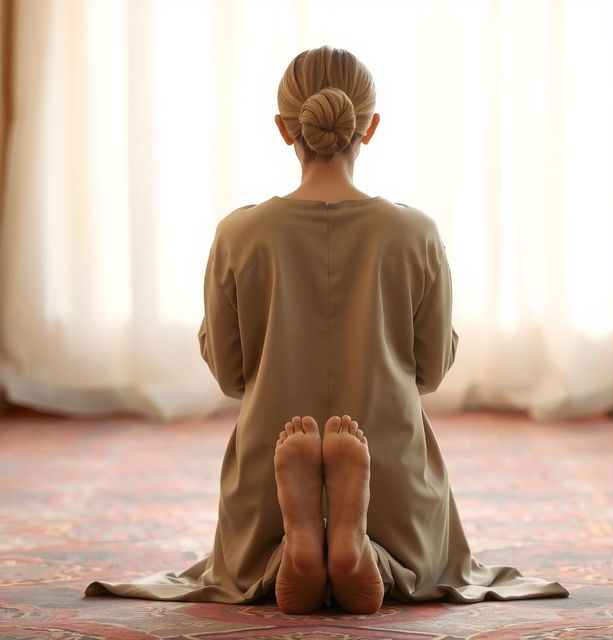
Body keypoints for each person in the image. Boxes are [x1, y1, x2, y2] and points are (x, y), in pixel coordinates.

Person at [84, 45, 569, 615]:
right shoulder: (415, 233)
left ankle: (290, 547)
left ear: (283, 129)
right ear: (372, 126)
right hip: (395, 477)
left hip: (268, 462)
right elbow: (432, 369)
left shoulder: (239, 234)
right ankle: (365, 548)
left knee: (250, 543)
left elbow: (230, 375)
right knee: (416, 543)